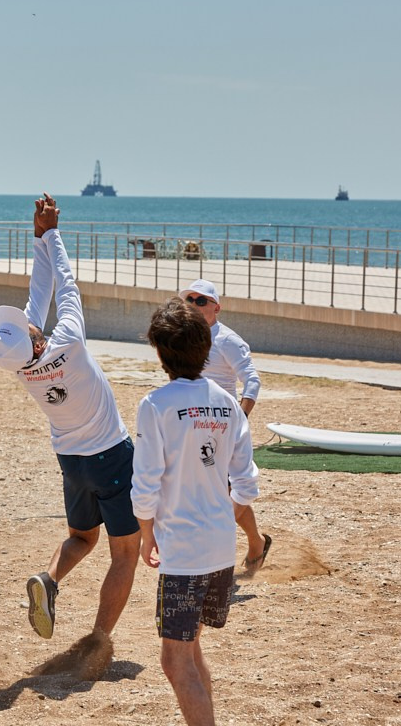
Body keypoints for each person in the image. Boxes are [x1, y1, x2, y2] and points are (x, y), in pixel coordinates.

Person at [0, 193, 140, 646]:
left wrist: (36, 238)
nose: (29, 321)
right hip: (111, 456)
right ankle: (97, 640)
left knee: (82, 537)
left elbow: (39, 294)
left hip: (71, 461)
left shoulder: (24, 366)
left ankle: (48, 579)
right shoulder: (69, 340)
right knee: (125, 553)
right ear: (35, 342)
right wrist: (54, 232)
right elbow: (65, 285)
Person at [132, 297, 259, 726]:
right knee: (191, 648)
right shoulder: (226, 402)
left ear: (159, 351)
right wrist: (222, 518)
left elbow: (146, 481)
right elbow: (246, 481)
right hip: (220, 547)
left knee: (174, 660)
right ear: (206, 347)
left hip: (183, 550)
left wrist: (146, 533)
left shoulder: (156, 404)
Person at [180, 279, 271, 574]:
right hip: (194, 424)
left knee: (229, 488)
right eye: (190, 299)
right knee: (219, 488)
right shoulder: (183, 337)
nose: (194, 304)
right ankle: (256, 541)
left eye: (201, 300)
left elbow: (252, 380)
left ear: (216, 308)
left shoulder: (228, 340)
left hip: (225, 425)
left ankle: (214, 547)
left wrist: (240, 420)